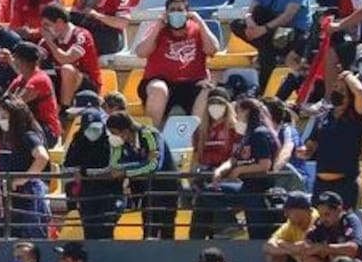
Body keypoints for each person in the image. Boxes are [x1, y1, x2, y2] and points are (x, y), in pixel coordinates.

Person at [192, 98, 279, 240]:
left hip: (258, 190)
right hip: (246, 188)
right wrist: (220, 171)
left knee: (258, 235)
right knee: (208, 192)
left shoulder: (260, 133)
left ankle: (232, 228)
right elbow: (234, 159)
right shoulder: (247, 135)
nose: (237, 115)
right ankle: (229, 225)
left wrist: (240, 170)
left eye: (238, 111)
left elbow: (265, 165)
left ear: (247, 112)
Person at [230, 0, 312, 93]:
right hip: (269, 32)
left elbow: (288, 16)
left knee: (266, 49)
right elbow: (251, 12)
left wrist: (263, 29)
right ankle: (271, 55)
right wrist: (252, 25)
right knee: (238, 24)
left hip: (293, 31)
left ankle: (263, 85)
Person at [135, 0, 220, 127]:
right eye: (172, 10)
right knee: (158, 89)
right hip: (161, 81)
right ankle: (151, 136)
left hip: (192, 82)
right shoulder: (158, 30)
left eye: (180, 10)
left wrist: (200, 22)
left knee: (207, 90)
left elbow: (213, 50)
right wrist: (157, 27)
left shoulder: (197, 30)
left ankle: (195, 136)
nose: (176, 13)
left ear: (187, 13)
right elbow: (141, 52)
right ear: (166, 13)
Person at [107, 111, 179, 239]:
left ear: (125, 130)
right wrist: (142, 162)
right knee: (148, 230)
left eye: (114, 132)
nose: (113, 136)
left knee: (167, 231)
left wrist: (127, 171)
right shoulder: (119, 144)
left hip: (166, 189)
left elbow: (154, 166)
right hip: (147, 191)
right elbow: (115, 166)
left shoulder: (149, 135)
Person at [304, 71, 362, 208]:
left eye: (342, 89)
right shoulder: (324, 117)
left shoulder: (355, 116)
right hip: (321, 184)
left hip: (345, 184)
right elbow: (311, 145)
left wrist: (347, 75)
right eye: (335, 88)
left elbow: (360, 92)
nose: (336, 91)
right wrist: (304, 151)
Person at [0, 96, 51, 239]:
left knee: (31, 234)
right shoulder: (4, 136)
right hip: (8, 194)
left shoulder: (28, 136)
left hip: (28, 193)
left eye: (3, 113)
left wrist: (22, 179)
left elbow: (42, 157)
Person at [64, 108, 121, 239]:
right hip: (87, 193)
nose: (93, 132)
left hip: (109, 192)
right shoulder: (78, 140)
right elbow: (68, 166)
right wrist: (80, 173)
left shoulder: (111, 140)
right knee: (89, 231)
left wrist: (83, 172)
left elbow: (109, 168)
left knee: (105, 230)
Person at [39, 4, 103, 111]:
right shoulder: (47, 41)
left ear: (59, 22)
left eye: (47, 25)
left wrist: (49, 42)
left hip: (87, 84)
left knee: (67, 69)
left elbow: (66, 59)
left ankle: (65, 109)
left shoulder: (81, 36)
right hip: (61, 82)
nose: (44, 30)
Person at [7, 41, 61, 148]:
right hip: (28, 127)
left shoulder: (39, 80)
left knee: (7, 122)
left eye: (15, 58)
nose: (13, 61)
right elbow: (3, 101)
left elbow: (15, 106)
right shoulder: (20, 79)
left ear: (22, 61)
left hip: (47, 132)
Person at [191, 88, 239, 172]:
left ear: (227, 107)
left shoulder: (235, 128)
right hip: (203, 173)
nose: (215, 107)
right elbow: (196, 157)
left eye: (220, 103)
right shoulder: (200, 130)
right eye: (212, 103)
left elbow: (238, 156)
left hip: (227, 173)